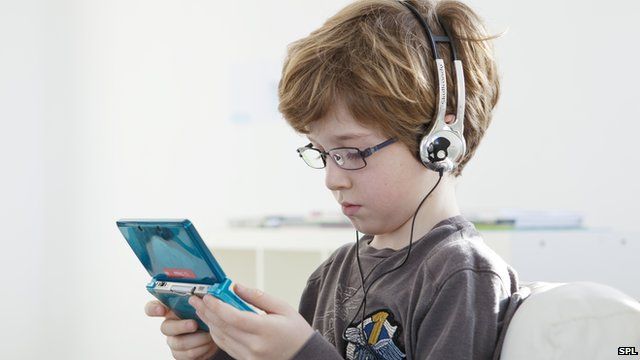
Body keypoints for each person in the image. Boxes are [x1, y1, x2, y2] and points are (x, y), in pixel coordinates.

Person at [145, 0, 519, 358]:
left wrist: (300, 353)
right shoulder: (331, 274)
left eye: (350, 153)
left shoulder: (461, 276)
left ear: (438, 142)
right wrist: (222, 350)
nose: (332, 179)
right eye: (323, 154)